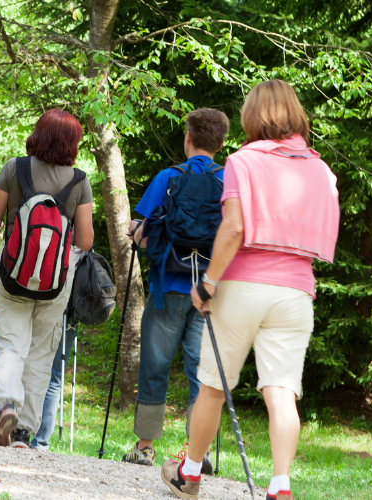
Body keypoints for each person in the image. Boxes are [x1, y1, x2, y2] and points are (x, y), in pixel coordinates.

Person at [160, 80, 339, 500]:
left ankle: (189, 475)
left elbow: (235, 227)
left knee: (213, 386)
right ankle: (280, 485)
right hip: (296, 290)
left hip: (244, 285)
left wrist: (208, 283)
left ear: (251, 115)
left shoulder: (243, 161)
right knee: (282, 391)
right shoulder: (320, 168)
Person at [122, 108, 229, 468]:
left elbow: (144, 233)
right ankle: (198, 453)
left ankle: (145, 446)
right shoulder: (229, 182)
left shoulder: (169, 177)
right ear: (221, 142)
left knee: (155, 363)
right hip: (210, 292)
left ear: (188, 138)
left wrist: (135, 232)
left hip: (168, 285)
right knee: (203, 371)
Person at [0, 108, 95, 448]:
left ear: (38, 134)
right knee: (41, 353)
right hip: (55, 283)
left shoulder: (13, 168)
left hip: (13, 275)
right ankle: (22, 431)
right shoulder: (80, 181)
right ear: (72, 144)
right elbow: (85, 241)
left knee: (10, 343)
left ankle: (5, 406)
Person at [30, 313, 78, 450]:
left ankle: (19, 434)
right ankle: (40, 442)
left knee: (31, 369)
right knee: (54, 379)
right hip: (72, 314)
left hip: (48, 307)